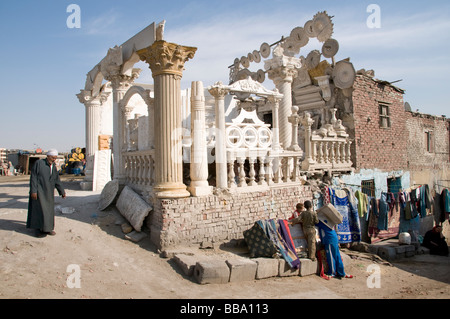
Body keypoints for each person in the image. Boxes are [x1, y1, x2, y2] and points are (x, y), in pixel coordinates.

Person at [27, 149, 66, 238]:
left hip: (49, 192)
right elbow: (33, 177)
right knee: (39, 210)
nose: (54, 159)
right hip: (39, 191)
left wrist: (62, 191)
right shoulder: (39, 163)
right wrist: (33, 191)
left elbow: (57, 180)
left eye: (55, 158)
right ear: (48, 156)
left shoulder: (53, 166)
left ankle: (48, 229)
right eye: (52, 157)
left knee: (48, 211)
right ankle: (38, 229)